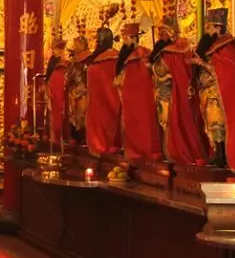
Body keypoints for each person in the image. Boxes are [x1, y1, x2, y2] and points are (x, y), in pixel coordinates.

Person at [195, 6, 235, 171]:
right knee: (210, 125)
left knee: (218, 123)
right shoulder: (210, 46)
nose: (207, 30)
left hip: (219, 93)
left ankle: (223, 155)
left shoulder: (227, 47)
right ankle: (216, 153)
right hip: (207, 92)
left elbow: (223, 72)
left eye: (210, 27)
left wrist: (201, 63)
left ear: (218, 28)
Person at [148, 12, 207, 164]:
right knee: (163, 123)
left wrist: (153, 67)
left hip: (172, 92)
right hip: (161, 92)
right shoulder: (165, 49)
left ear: (171, 32)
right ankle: (165, 151)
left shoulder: (178, 48)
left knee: (172, 121)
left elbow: (169, 70)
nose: (160, 35)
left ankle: (175, 151)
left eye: (163, 32)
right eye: (160, 32)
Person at [116, 19, 162, 162]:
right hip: (128, 94)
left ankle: (147, 150)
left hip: (142, 94)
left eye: (127, 38)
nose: (125, 41)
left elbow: (151, 71)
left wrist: (149, 66)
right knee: (130, 122)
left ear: (134, 38)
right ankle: (132, 150)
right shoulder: (124, 56)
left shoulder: (143, 54)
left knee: (144, 122)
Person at [85, 13, 122, 156]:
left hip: (100, 100)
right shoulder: (119, 57)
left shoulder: (96, 62)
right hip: (117, 98)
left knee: (101, 122)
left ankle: (100, 147)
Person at [65, 22, 91, 146]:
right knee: (75, 115)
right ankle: (77, 138)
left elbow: (70, 75)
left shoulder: (86, 60)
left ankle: (82, 138)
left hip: (82, 92)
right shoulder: (76, 61)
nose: (75, 46)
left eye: (77, 44)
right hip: (75, 91)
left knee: (82, 115)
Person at [43, 35, 68, 145]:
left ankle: (64, 137)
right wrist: (48, 89)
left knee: (64, 112)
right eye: (58, 48)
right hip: (54, 92)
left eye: (62, 49)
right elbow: (47, 78)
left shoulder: (66, 62)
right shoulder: (52, 62)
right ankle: (54, 138)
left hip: (63, 91)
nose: (60, 51)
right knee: (54, 114)